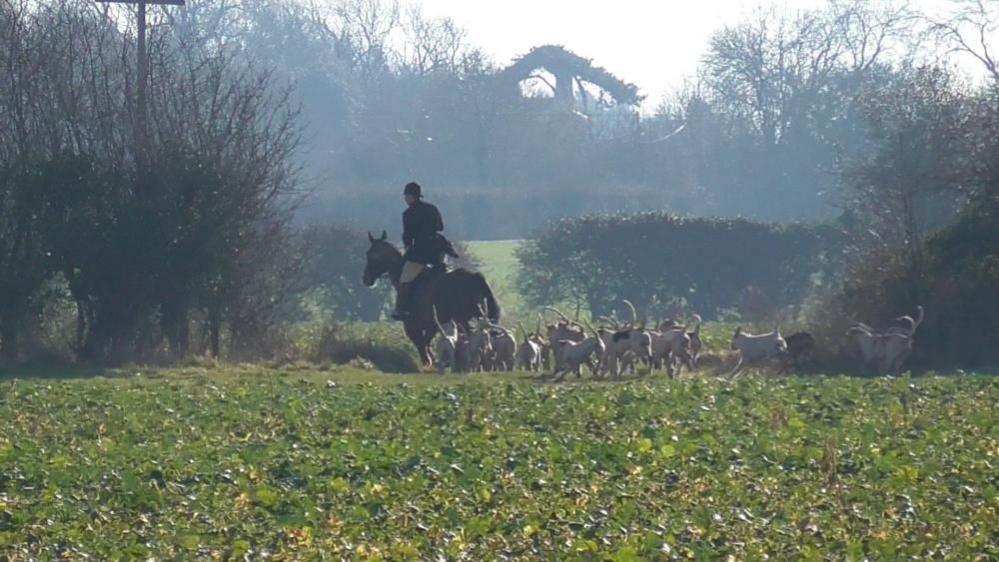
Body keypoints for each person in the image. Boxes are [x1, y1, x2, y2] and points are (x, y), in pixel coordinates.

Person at [393, 182, 447, 320]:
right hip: (438, 251)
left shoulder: (408, 213)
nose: (405, 199)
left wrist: (407, 248)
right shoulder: (432, 208)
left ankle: (401, 310)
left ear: (411, 196)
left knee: (405, 279)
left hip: (420, 254)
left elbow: (407, 238)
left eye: (406, 196)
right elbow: (440, 227)